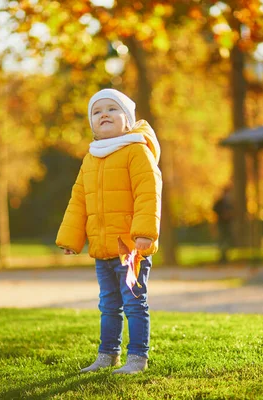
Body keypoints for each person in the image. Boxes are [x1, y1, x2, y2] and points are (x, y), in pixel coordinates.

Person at [56, 88, 162, 375]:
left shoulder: (136, 151)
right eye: (97, 111)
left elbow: (148, 194)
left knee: (134, 303)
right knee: (108, 304)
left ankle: (137, 358)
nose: (104, 114)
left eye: (112, 109)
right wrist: (72, 238)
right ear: (91, 123)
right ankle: (108, 354)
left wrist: (143, 233)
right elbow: (79, 200)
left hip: (130, 249)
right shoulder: (91, 158)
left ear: (127, 118)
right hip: (102, 249)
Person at [212, 186, 234, 264]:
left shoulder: (230, 203)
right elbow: (214, 209)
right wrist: (222, 214)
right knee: (221, 240)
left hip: (228, 224)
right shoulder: (220, 202)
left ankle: (225, 256)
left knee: (227, 240)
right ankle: (221, 256)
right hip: (221, 224)